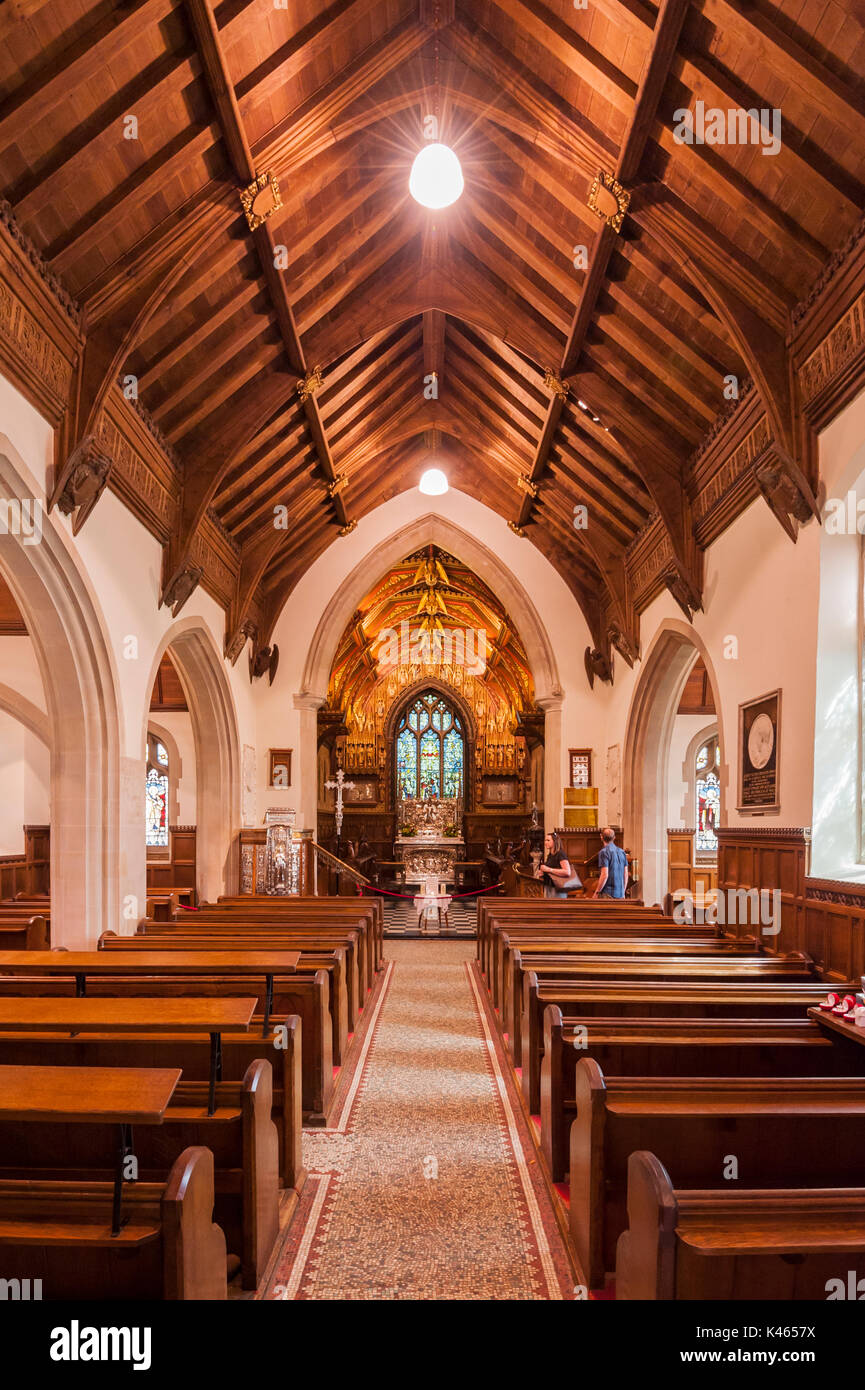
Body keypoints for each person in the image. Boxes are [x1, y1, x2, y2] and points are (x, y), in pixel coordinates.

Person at [535, 831, 581, 899]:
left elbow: (567, 872)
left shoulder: (560, 854)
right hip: (549, 886)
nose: (545, 842)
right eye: (545, 840)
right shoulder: (550, 855)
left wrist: (548, 869)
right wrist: (543, 872)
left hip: (558, 888)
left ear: (555, 841)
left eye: (548, 840)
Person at [593, 826, 628, 899]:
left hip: (608, 894)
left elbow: (604, 875)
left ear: (601, 837)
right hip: (620, 893)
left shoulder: (604, 852)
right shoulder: (622, 852)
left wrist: (597, 892)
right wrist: (623, 891)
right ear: (614, 837)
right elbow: (625, 874)